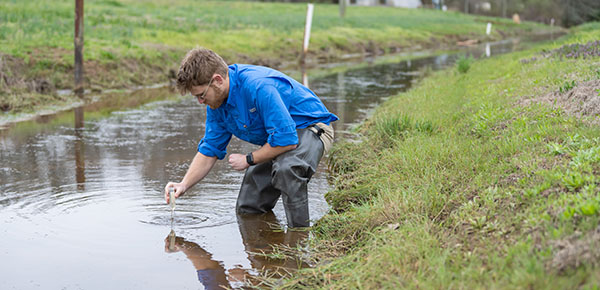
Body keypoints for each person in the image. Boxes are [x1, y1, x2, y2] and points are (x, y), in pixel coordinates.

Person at [164, 48, 337, 227]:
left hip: (311, 128)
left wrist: (249, 159)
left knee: (287, 168)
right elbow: (210, 150)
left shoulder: (259, 87)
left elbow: (287, 141)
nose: (200, 102)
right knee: (248, 206)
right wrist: (183, 185)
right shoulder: (216, 104)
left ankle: (299, 237)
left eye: (201, 95)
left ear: (217, 80)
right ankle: (261, 249)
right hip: (276, 139)